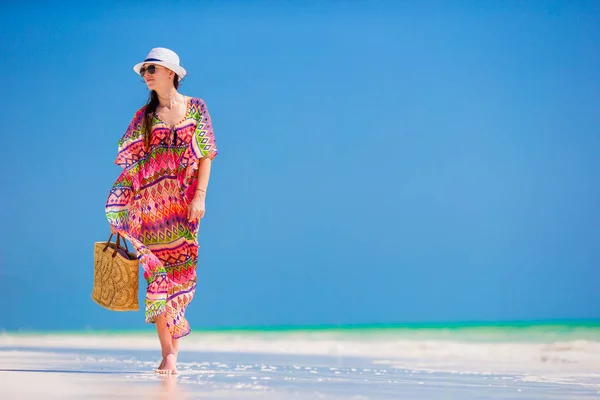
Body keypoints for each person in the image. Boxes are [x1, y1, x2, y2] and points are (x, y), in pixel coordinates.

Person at [105, 47, 218, 375]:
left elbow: (206, 154)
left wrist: (200, 196)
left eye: (152, 69)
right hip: (150, 208)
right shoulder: (144, 117)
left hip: (183, 208)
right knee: (157, 277)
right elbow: (131, 166)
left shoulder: (196, 108)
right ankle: (168, 353)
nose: (146, 75)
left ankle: (173, 352)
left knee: (180, 278)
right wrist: (122, 211)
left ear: (171, 72)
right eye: (144, 71)